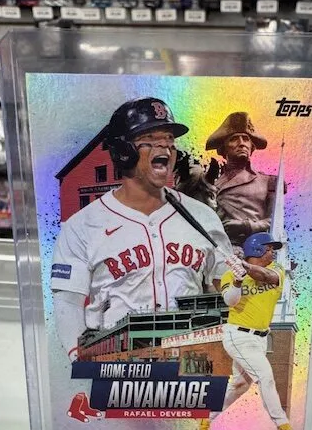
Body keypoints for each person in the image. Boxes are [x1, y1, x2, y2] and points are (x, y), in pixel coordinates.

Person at [51, 98, 233, 362]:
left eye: (169, 139)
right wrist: (79, 360)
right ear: (123, 151)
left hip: (190, 363)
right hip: (118, 365)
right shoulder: (81, 225)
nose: (165, 147)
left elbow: (226, 286)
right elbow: (68, 302)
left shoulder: (203, 216)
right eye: (149, 139)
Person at [197, 232, 294, 430]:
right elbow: (230, 301)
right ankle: (282, 423)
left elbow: (266, 277)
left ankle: (205, 418)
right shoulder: (229, 275)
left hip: (261, 338)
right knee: (265, 376)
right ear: (257, 249)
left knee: (239, 385)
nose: (273, 253)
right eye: (269, 249)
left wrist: (245, 266)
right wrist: (238, 281)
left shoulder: (276, 269)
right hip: (238, 335)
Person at [205, 112, 279, 252]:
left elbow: (276, 222)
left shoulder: (269, 182)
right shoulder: (211, 184)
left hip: (256, 251)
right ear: (223, 148)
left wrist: (246, 226)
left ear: (251, 147)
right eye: (234, 139)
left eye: (246, 139)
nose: (241, 143)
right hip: (221, 251)